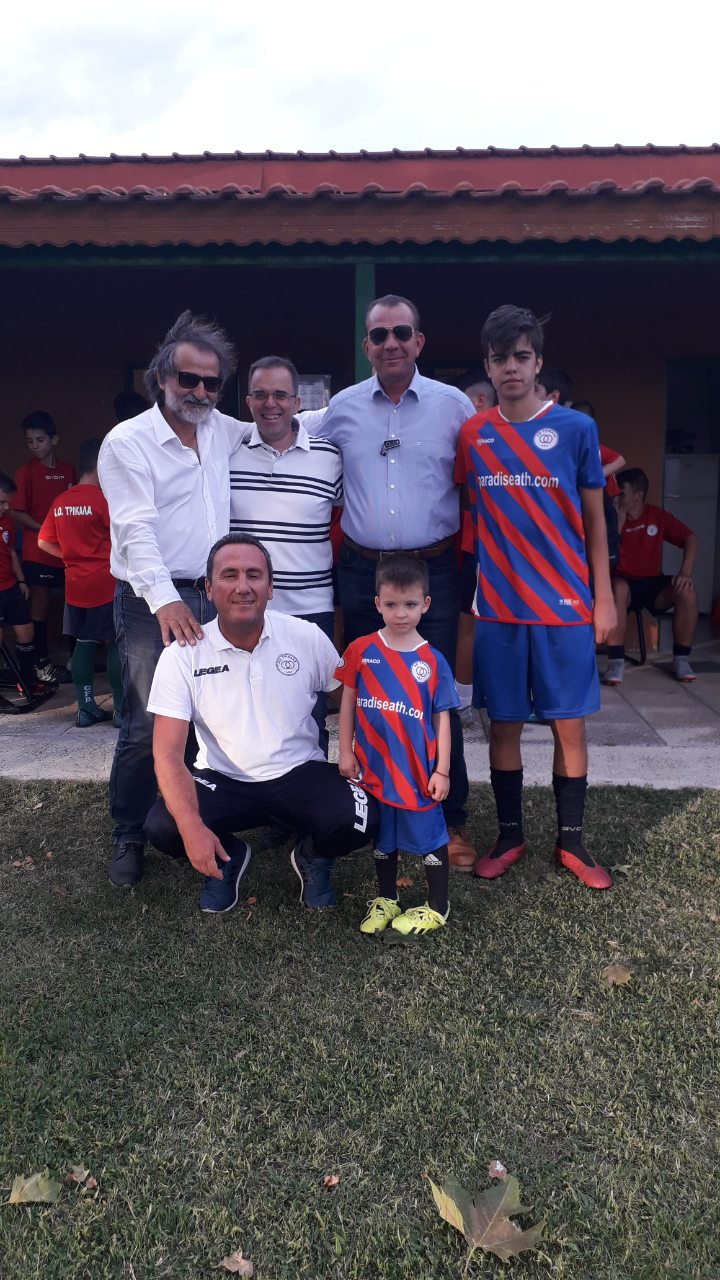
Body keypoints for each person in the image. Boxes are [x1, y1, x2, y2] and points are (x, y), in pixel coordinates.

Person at [455, 304, 616, 891]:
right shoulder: (473, 434)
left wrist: (603, 598)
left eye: (521, 357)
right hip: (499, 609)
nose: (511, 368)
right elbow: (468, 514)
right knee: (504, 725)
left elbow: (596, 521)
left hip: (565, 606)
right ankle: (510, 836)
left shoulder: (575, 429)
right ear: (488, 366)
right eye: (500, 358)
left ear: (538, 362)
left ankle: (571, 841)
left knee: (569, 725)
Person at [319, 294, 477, 869]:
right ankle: (376, 810)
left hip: (433, 569)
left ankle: (449, 818)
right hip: (364, 570)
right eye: (380, 334)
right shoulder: (340, 409)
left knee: (436, 692)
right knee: (371, 691)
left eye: (402, 333)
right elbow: (292, 439)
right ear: (366, 345)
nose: (391, 343)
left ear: (419, 341)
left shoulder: (453, 406)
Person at [144, 534, 377, 913]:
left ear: (270, 587)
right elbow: (167, 754)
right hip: (222, 779)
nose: (243, 586)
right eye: (229, 575)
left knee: (362, 818)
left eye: (254, 575)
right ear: (209, 588)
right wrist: (192, 829)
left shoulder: (305, 636)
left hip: (301, 772)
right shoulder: (182, 656)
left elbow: (351, 700)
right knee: (164, 827)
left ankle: (312, 856)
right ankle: (227, 855)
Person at [98, 310, 244, 889]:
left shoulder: (221, 429)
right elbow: (134, 531)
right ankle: (129, 833)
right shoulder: (128, 442)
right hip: (150, 602)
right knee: (147, 723)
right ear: (161, 377)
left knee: (208, 719)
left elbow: (281, 418)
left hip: (213, 596)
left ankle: (191, 821)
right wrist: (165, 601)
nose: (200, 392)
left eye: (212, 383)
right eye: (188, 379)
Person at [336, 554, 457, 937]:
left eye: (409, 604)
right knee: (383, 836)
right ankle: (387, 897)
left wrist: (442, 770)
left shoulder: (433, 661)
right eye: (391, 604)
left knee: (429, 835)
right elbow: (348, 702)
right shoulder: (361, 650)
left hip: (417, 772)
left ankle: (437, 906)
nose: (400, 613)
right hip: (374, 768)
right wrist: (344, 750)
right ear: (377, 603)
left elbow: (442, 719)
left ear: (426, 604)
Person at [37, 438, 122, 727]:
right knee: (114, 644)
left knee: (83, 645)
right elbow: (124, 540)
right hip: (106, 584)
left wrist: (72, 557)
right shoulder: (104, 500)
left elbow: (43, 542)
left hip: (75, 585)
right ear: (101, 464)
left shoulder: (60, 501)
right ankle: (121, 710)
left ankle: (85, 708)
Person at [603, 467, 698, 684]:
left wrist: (685, 573)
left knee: (687, 591)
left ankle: (681, 660)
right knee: (618, 588)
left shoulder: (657, 516)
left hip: (651, 583)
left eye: (622, 494)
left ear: (638, 496)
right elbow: (604, 558)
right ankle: (615, 662)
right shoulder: (611, 517)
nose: (617, 499)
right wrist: (617, 528)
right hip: (622, 583)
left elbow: (691, 538)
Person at [10, 410, 76, 684]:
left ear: (54, 439)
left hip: (67, 551)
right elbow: (15, 511)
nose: (35, 446)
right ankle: (41, 664)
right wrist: (45, 530)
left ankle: (77, 660)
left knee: (74, 602)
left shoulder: (67, 470)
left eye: (40, 440)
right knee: (40, 602)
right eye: (30, 441)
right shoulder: (25, 472)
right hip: (37, 551)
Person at [0, 471, 47, 706]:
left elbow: (10, 552)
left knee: (26, 631)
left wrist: (21, 581)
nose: (7, 507)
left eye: (7, 502)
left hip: (9, 586)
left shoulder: (6, 520)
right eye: (2, 502)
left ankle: (27, 680)